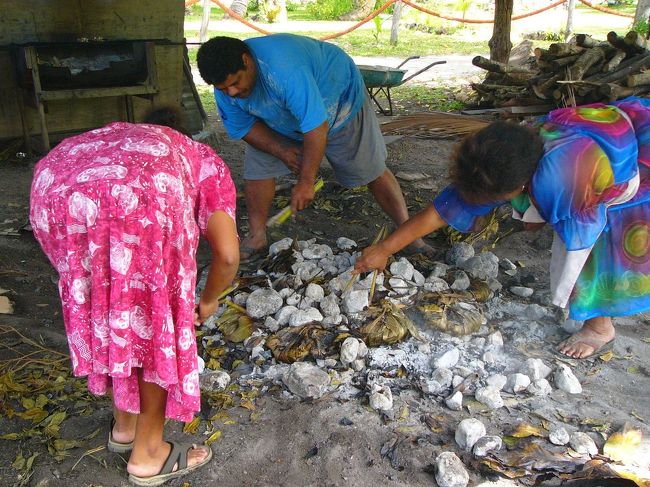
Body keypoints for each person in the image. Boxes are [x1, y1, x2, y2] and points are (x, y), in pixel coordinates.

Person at [29, 107, 239, 486]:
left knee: (116, 309)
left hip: (58, 194)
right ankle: (148, 455)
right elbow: (227, 255)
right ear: (182, 133)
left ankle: (124, 426)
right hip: (139, 205)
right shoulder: (196, 156)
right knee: (155, 326)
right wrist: (209, 300)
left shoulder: (109, 137)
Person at [354, 96, 650, 360]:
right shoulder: (510, 150)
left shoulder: (564, 180)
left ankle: (599, 328)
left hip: (635, 160)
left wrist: (569, 291)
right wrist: (384, 249)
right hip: (602, 138)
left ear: (520, 186)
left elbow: (580, 244)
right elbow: (441, 211)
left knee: (603, 246)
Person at [196, 34, 431, 261]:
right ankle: (257, 236)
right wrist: (281, 151)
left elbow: (317, 126)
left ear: (246, 61)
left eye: (235, 82)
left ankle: (410, 235)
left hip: (339, 102)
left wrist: (306, 181)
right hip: (279, 118)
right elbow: (244, 127)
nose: (232, 92)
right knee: (257, 170)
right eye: (224, 88)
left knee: (370, 170)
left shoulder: (284, 69)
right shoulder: (226, 89)